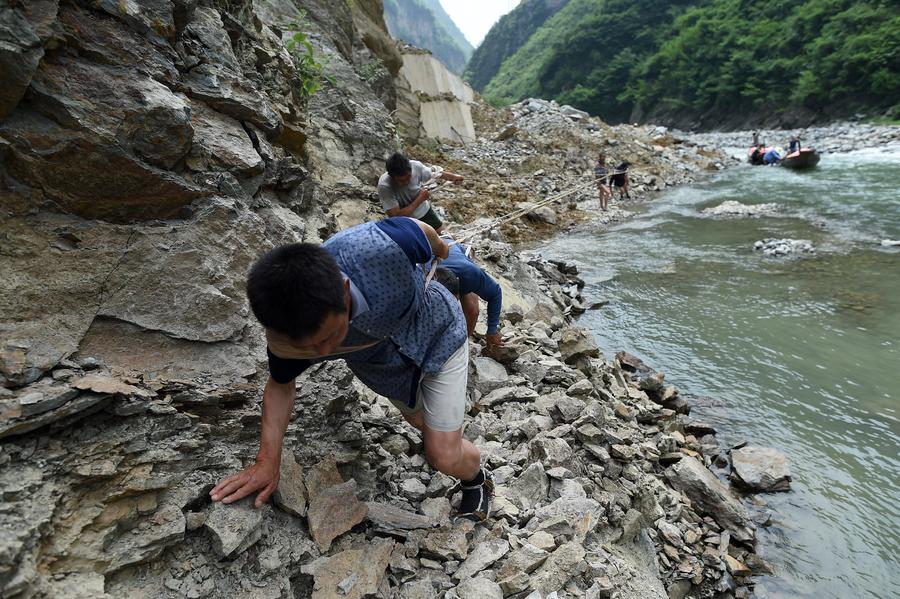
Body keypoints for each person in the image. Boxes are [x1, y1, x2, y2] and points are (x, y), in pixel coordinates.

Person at [210, 216, 493, 521]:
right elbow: (280, 385)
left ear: (345, 291)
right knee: (419, 421)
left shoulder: (383, 247)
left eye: (330, 337)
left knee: (443, 454)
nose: (323, 353)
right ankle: (444, 435)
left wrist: (440, 249)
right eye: (310, 348)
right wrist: (267, 461)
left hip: (440, 335)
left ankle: (476, 478)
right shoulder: (286, 337)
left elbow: (424, 230)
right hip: (386, 371)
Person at [431, 241, 503, 348]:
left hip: (456, 251)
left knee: (472, 311)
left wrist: (492, 330)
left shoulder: (470, 274)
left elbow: (495, 294)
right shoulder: (424, 280)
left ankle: (463, 344)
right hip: (433, 257)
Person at [378, 153, 463, 234]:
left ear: (411, 169)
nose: (406, 182)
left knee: (446, 237)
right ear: (391, 177)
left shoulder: (415, 166)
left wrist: (454, 177)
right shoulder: (385, 186)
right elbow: (396, 217)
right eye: (401, 181)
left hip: (425, 213)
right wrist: (420, 199)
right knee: (422, 246)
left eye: (408, 177)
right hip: (406, 223)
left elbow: (435, 174)